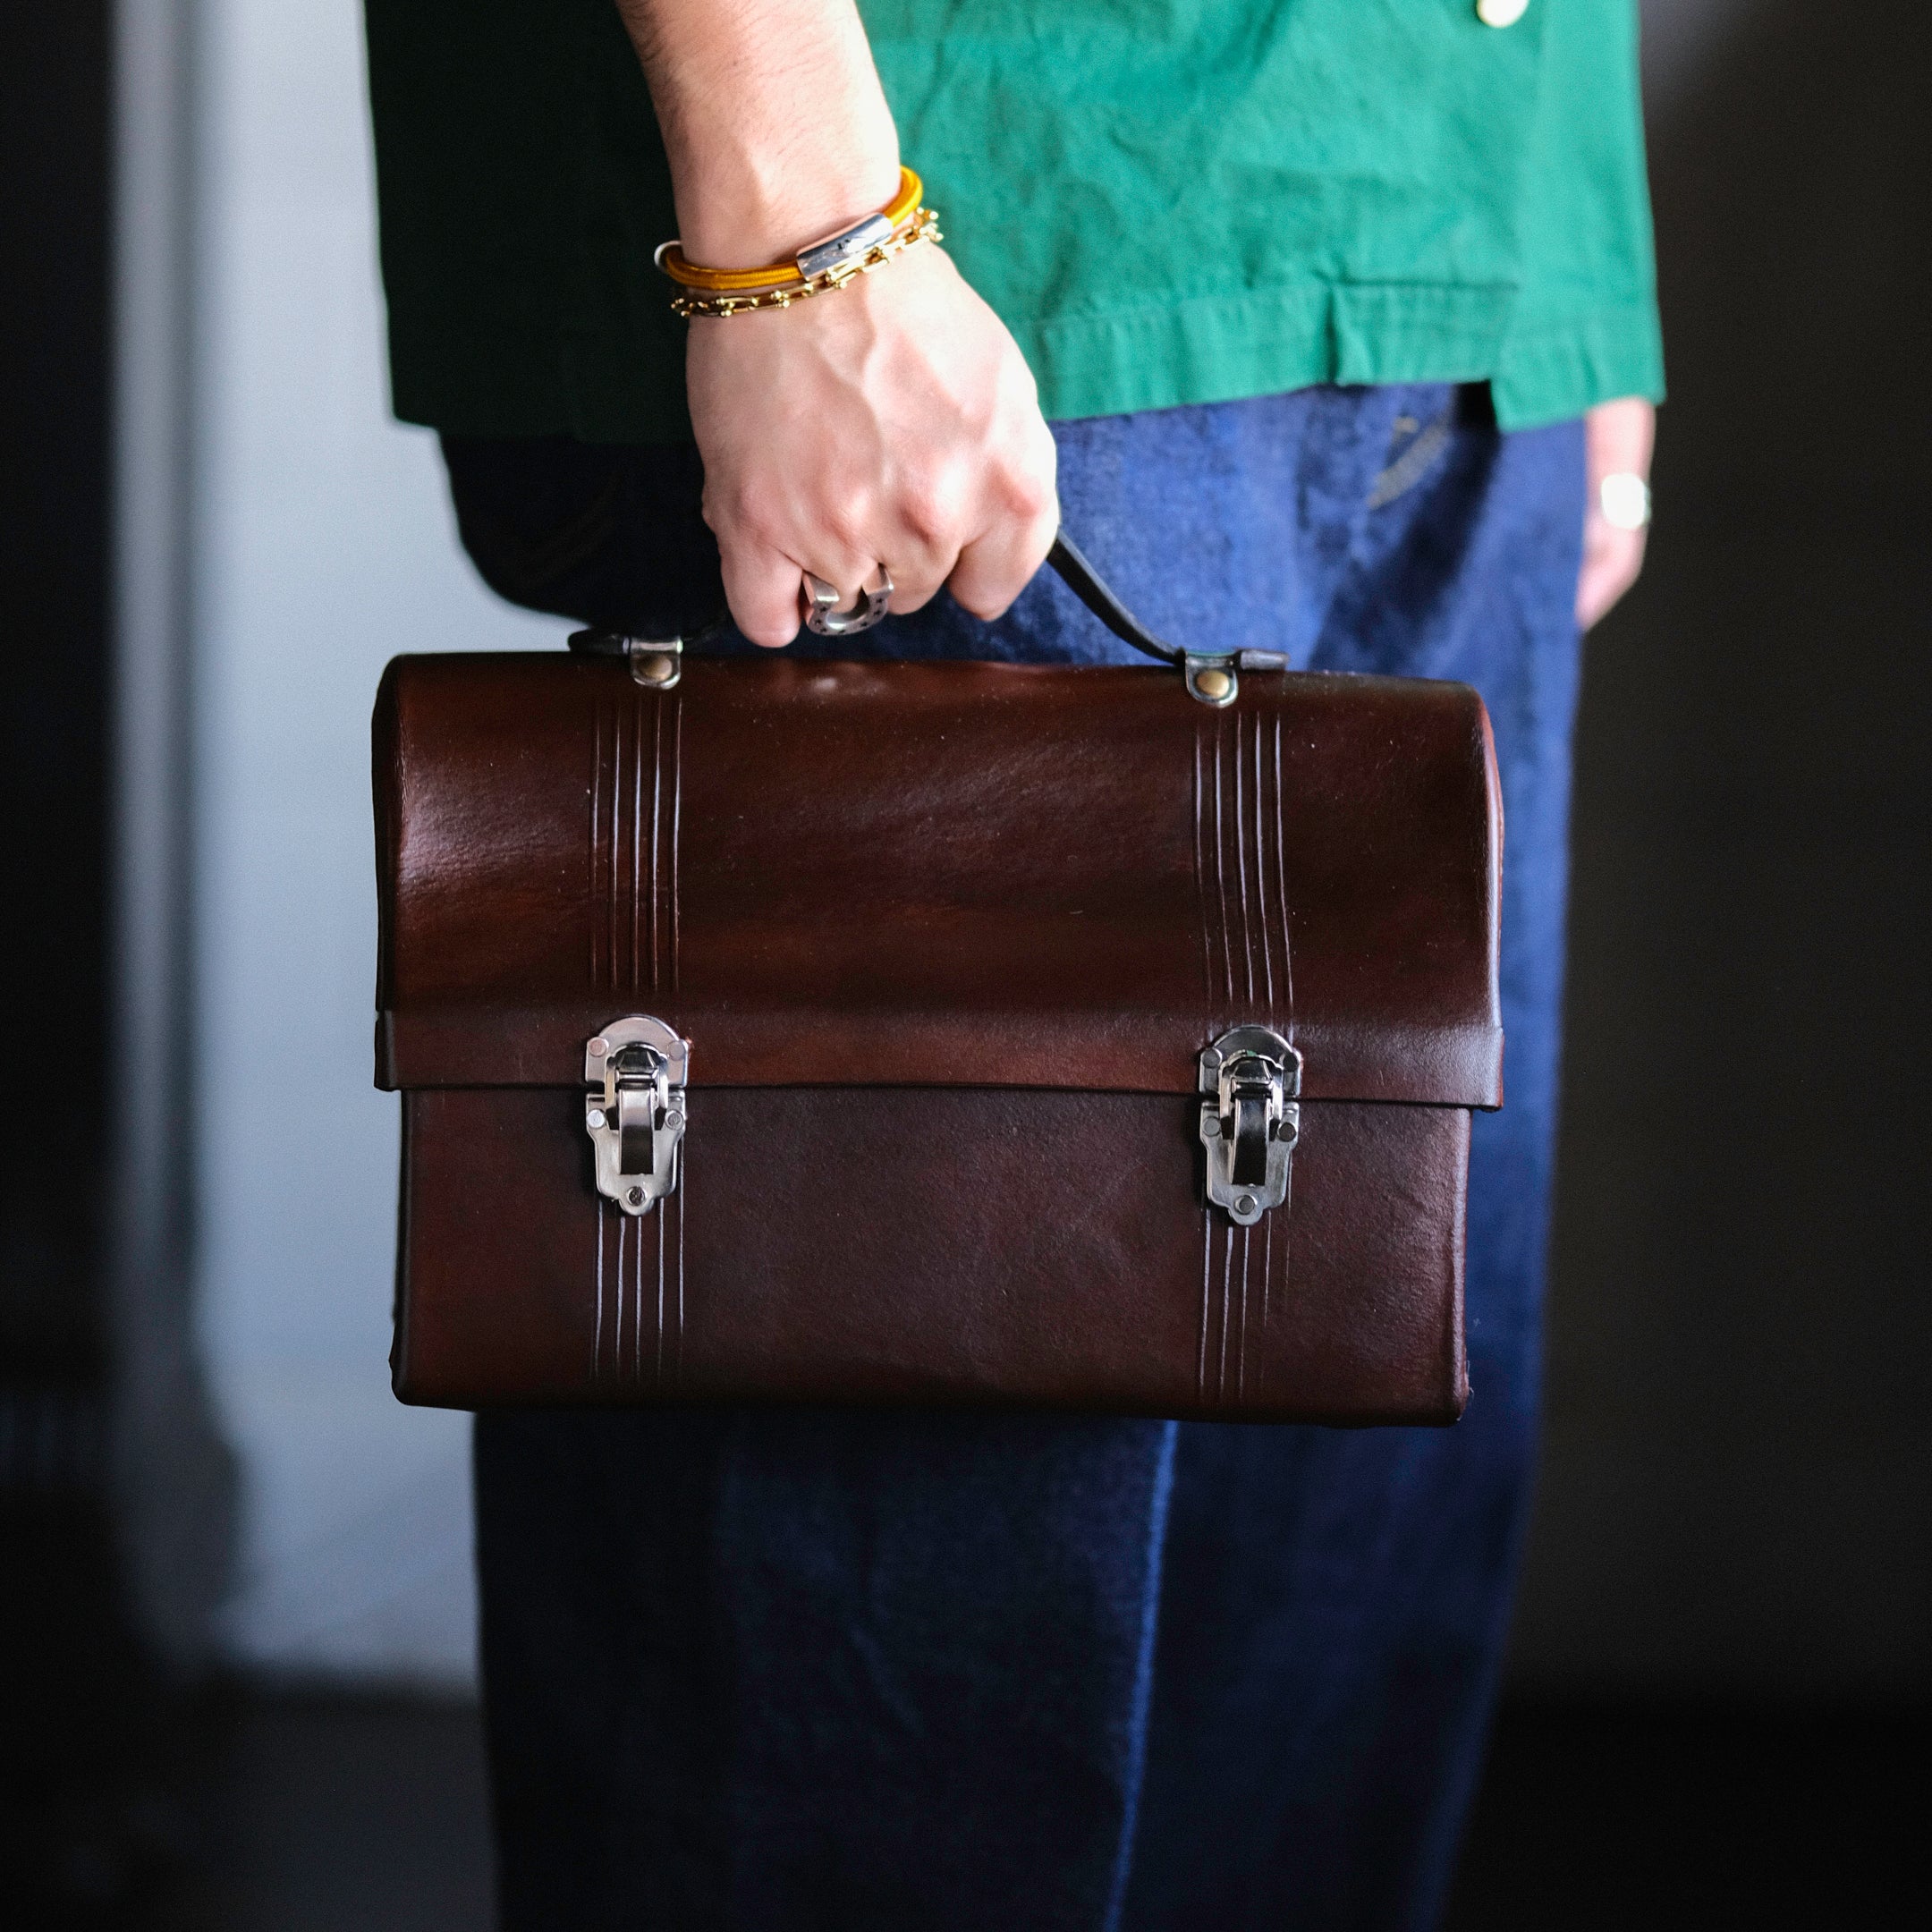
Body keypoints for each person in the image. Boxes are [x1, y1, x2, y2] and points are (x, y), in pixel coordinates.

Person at [362, 1, 1662, 1924]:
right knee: (867, 1764)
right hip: (966, 227)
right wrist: (801, 221)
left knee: (1307, 1728)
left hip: (1464, 237)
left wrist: (1577, 235)